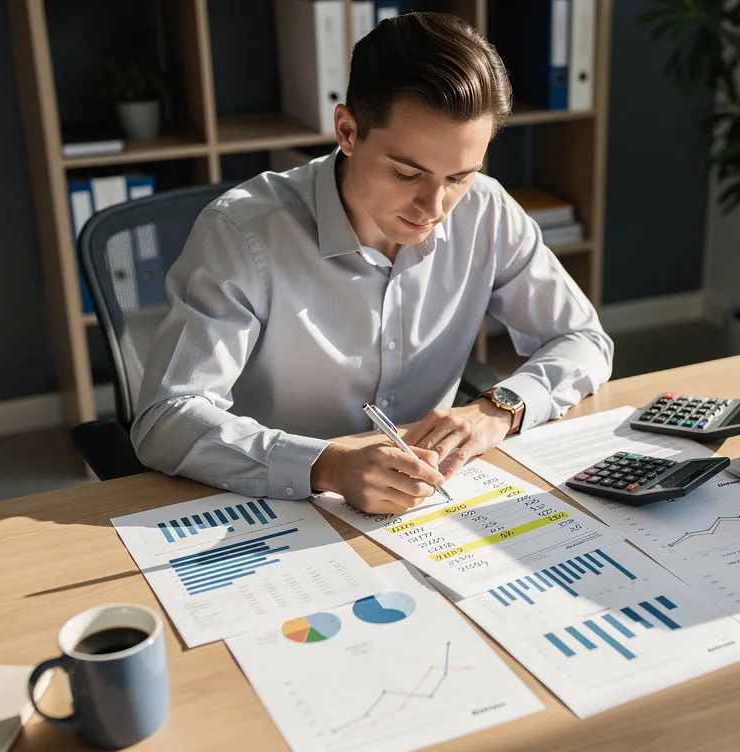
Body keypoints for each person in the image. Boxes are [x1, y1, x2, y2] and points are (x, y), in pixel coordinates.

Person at [132, 13, 612, 515]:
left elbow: (583, 340)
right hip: (275, 506)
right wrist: (330, 465)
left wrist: (500, 409)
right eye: (407, 173)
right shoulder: (242, 233)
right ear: (347, 131)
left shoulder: (485, 210)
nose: (435, 208)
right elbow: (167, 418)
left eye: (459, 176)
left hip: (427, 508)